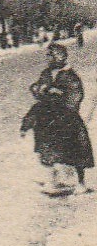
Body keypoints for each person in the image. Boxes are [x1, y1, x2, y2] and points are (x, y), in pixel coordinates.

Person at [30, 42, 92, 191]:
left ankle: (80, 183)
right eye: (47, 55)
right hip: (50, 118)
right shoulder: (46, 73)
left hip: (67, 118)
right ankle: (54, 180)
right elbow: (37, 88)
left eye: (50, 55)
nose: (47, 58)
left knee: (75, 150)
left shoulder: (70, 76)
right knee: (48, 149)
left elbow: (76, 96)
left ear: (59, 57)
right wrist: (39, 89)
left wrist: (59, 96)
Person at [22, 83, 94, 197]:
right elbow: (30, 118)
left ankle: (63, 183)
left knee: (54, 159)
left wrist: (24, 129)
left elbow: (30, 118)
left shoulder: (43, 106)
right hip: (60, 139)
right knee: (58, 160)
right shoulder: (65, 107)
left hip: (58, 140)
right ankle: (69, 183)